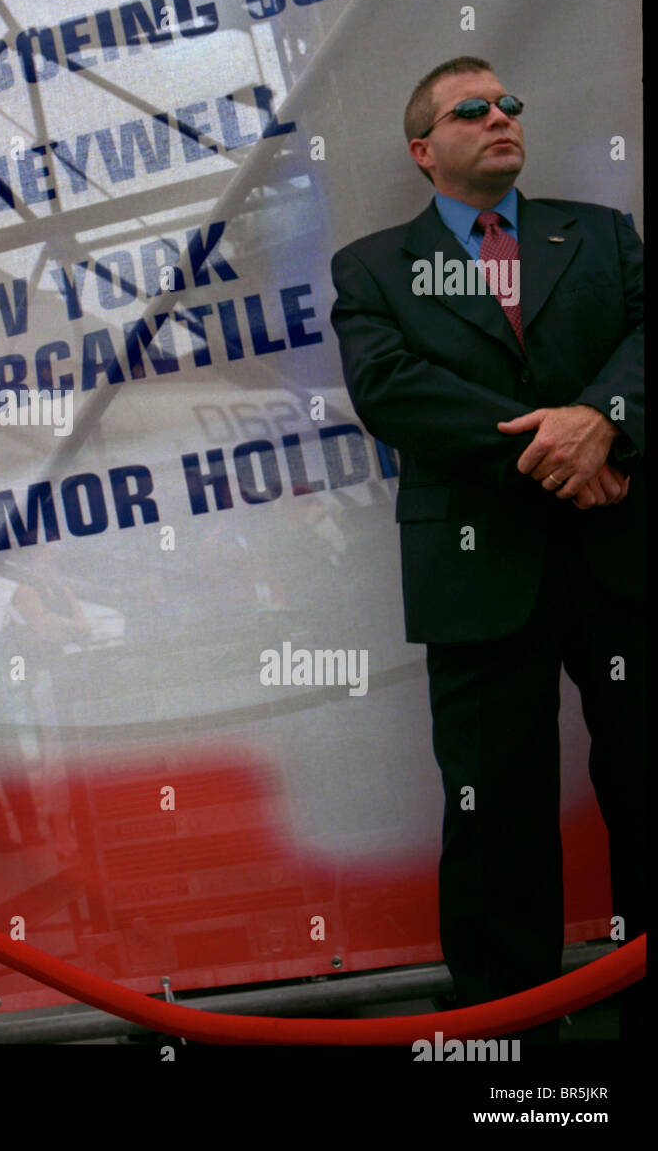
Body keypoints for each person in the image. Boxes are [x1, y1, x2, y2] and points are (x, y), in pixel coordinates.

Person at [329, 56, 644, 1037]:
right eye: (473, 109)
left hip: (620, 553)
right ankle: (509, 1051)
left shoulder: (599, 235)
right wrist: (558, 446)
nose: (502, 116)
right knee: (493, 815)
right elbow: (390, 390)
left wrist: (604, 417)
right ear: (425, 151)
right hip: (476, 570)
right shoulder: (370, 267)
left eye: (510, 103)